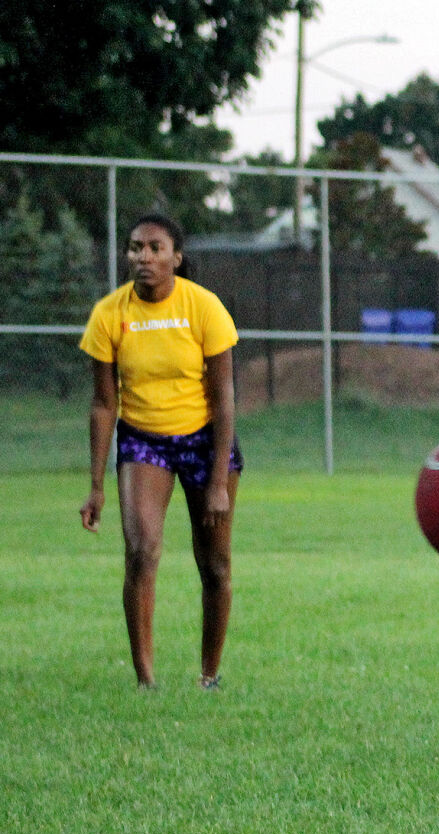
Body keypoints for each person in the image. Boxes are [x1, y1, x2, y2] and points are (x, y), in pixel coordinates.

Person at [78, 213, 241, 690]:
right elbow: (104, 404)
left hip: (204, 438)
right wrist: (95, 487)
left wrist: (216, 482)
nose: (143, 257)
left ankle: (209, 676)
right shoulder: (110, 314)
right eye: (135, 248)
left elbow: (225, 398)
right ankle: (146, 681)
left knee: (215, 564)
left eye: (154, 248)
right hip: (144, 438)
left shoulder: (204, 307)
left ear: (176, 256)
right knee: (141, 551)